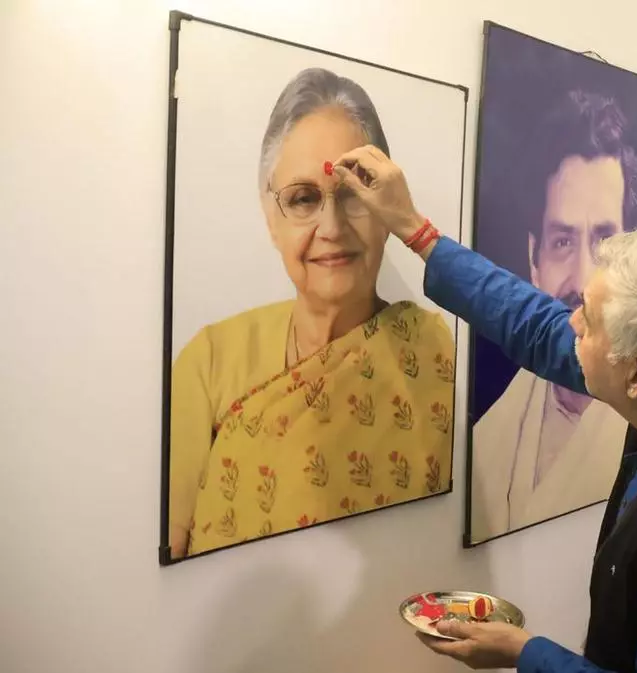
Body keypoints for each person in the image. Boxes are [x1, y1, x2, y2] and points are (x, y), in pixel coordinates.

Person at [330, 145, 637, 672]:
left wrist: (525, 653)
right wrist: (417, 232)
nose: (569, 325)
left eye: (587, 320)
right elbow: (537, 326)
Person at [167, 68, 454, 560]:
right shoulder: (210, 362)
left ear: (387, 212)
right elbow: (170, 550)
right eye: (302, 199)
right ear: (270, 218)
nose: (332, 226)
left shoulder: (432, 352)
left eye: (353, 195)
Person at [470, 90, 637, 543]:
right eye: (562, 241)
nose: (583, 279)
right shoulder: (490, 439)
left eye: (604, 241)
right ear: (533, 258)